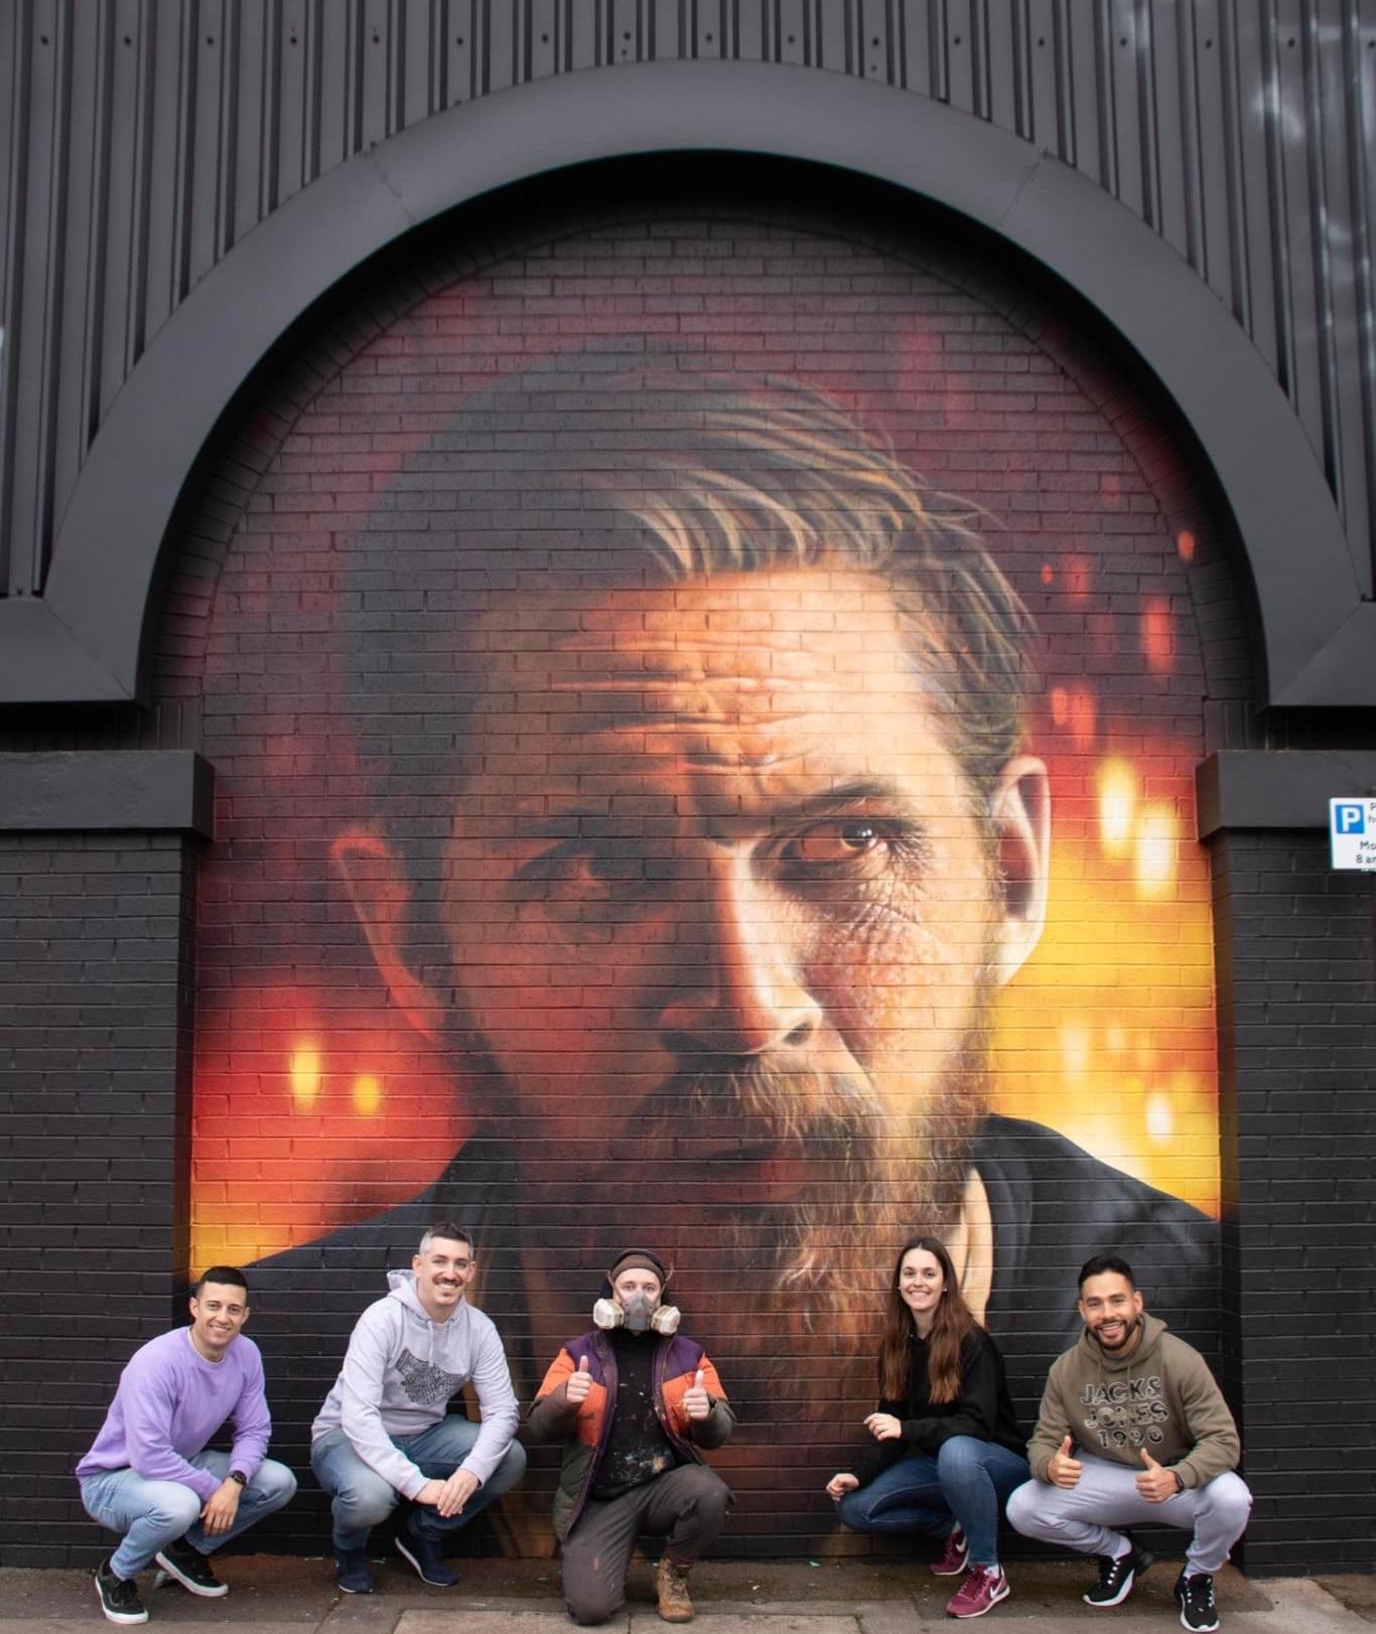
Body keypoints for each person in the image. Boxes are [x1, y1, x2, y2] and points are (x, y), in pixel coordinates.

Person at [244, 368, 1217, 1520]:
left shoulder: (1232, 1315)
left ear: (1007, 876)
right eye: (597, 867)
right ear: (412, 939)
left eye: (846, 840)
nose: (746, 1009)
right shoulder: (282, 1359)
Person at [1006, 1254, 1251, 1633]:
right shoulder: (1066, 1370)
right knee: (1023, 1507)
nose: (1107, 1313)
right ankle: (1120, 1553)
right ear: (1082, 1310)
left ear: (1137, 1302)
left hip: (1172, 1482)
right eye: (1095, 1303)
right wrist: (1049, 1466)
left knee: (1232, 1498)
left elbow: (1223, 1441)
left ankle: (1197, 1577)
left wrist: (1179, 1476)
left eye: (1117, 1300)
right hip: (1104, 1478)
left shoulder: (1180, 1359)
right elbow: (1042, 1442)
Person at [309, 1222, 524, 1594]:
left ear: (472, 1271)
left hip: (424, 1436)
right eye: (439, 1261)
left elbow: (503, 1411)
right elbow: (358, 1416)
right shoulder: (381, 1319)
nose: (450, 1273)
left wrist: (470, 1473)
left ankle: (421, 1534)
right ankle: (349, 1552)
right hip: (344, 1437)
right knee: (371, 1497)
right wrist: (416, 1484)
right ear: (418, 1265)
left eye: (460, 1264)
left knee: (510, 1458)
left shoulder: (479, 1329)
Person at [76, 1266, 296, 1627]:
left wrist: (235, 1482)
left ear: (245, 1315)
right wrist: (216, 1491)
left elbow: (255, 1430)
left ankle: (184, 1550)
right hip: (112, 1480)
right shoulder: (156, 1362)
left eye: (233, 1309)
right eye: (213, 1306)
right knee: (181, 1504)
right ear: (194, 1307)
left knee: (278, 1481)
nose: (222, 1318)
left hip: (180, 1464)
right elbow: (149, 1456)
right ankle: (115, 1573)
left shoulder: (246, 1354)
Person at [526, 1249, 733, 1624]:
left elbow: (721, 1433)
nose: (639, 1296)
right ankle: (607, 1557)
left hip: (663, 1487)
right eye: (629, 1286)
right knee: (591, 1610)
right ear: (612, 1295)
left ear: (661, 1298)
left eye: (649, 1288)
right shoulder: (577, 1354)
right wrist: (562, 1401)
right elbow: (538, 1426)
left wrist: (709, 1415)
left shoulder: (689, 1355)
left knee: (710, 1492)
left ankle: (673, 1574)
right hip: (599, 1499)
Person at [825, 1237, 1028, 1619]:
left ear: (945, 1282)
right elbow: (891, 1427)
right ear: (899, 1284)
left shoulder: (972, 1342)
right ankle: (956, 1526)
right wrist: (858, 1473)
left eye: (929, 1273)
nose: (919, 1282)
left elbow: (977, 1425)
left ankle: (988, 1570)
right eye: (910, 1273)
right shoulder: (896, 1346)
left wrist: (907, 1430)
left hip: (995, 1465)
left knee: (958, 1450)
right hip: (943, 1466)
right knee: (856, 1508)